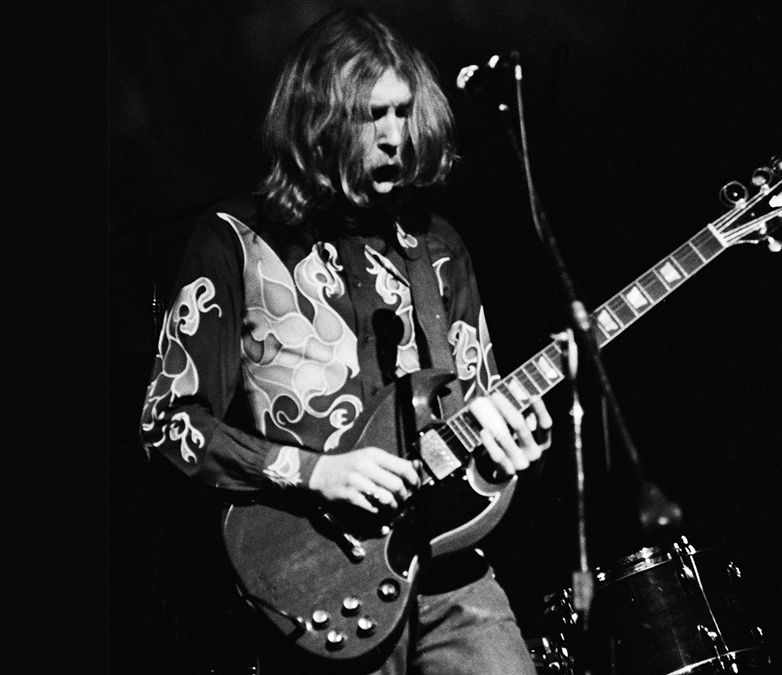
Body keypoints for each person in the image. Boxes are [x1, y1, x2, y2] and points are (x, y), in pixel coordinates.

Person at [138, 7, 552, 674]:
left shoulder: (439, 248)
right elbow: (167, 424)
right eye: (370, 116)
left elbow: (476, 407)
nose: (394, 137)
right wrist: (318, 470)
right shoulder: (234, 241)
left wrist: (510, 446)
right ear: (318, 121)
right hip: (314, 578)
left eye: (401, 111)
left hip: (450, 574)